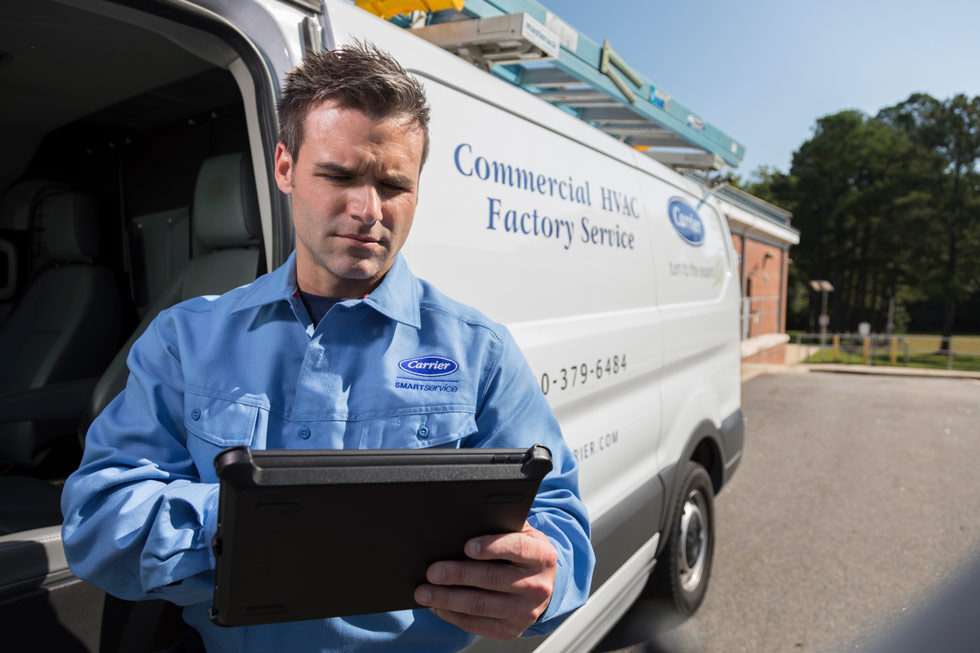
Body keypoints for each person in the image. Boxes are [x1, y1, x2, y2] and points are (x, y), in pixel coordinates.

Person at [61, 42, 594, 652]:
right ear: (285, 168)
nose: (368, 210)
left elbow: (562, 523)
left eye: (394, 184)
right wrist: (245, 523)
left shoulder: (482, 352)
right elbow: (98, 516)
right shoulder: (186, 339)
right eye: (338, 176)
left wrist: (546, 578)